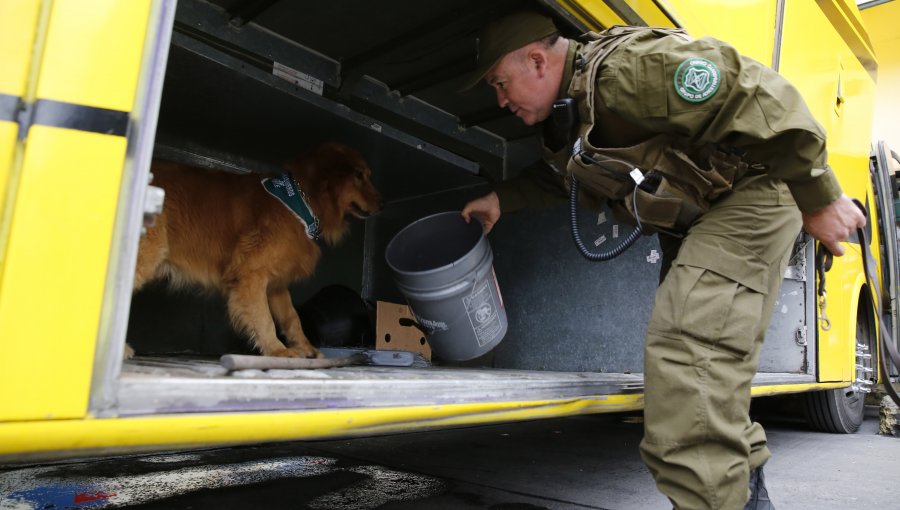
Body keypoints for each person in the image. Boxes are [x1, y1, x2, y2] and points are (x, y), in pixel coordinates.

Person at [459, 9, 867, 510]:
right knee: (704, 374)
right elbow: (566, 178)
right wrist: (502, 198)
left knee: (688, 357)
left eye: (501, 83)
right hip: (699, 220)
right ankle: (739, 494)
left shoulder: (627, 71)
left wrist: (818, 195)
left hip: (753, 190)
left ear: (538, 60)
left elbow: (759, 94)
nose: (500, 100)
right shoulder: (574, 114)